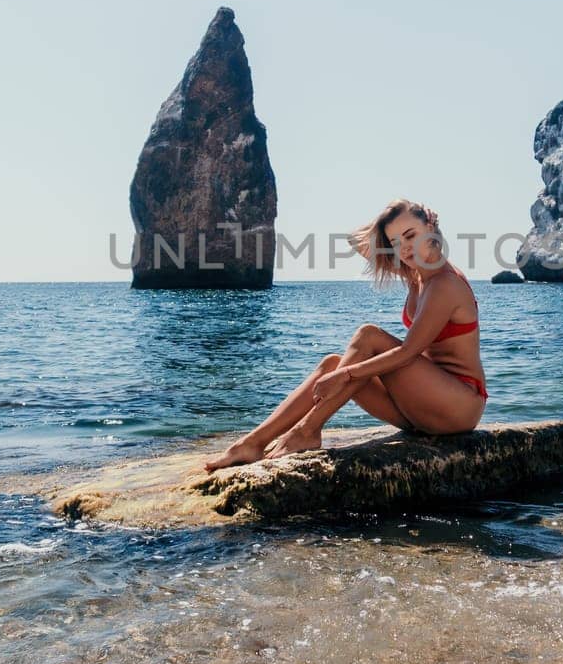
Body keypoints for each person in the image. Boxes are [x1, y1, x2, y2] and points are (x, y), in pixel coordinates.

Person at [203, 198, 487, 470]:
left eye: (411, 235)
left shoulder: (444, 284)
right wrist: (342, 372)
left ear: (430, 227)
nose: (405, 248)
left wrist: (348, 375)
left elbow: (408, 352)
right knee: (331, 365)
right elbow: (357, 241)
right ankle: (252, 443)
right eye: (396, 242)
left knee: (367, 339)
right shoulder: (415, 276)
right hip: (424, 405)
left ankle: (307, 430)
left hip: (458, 407)